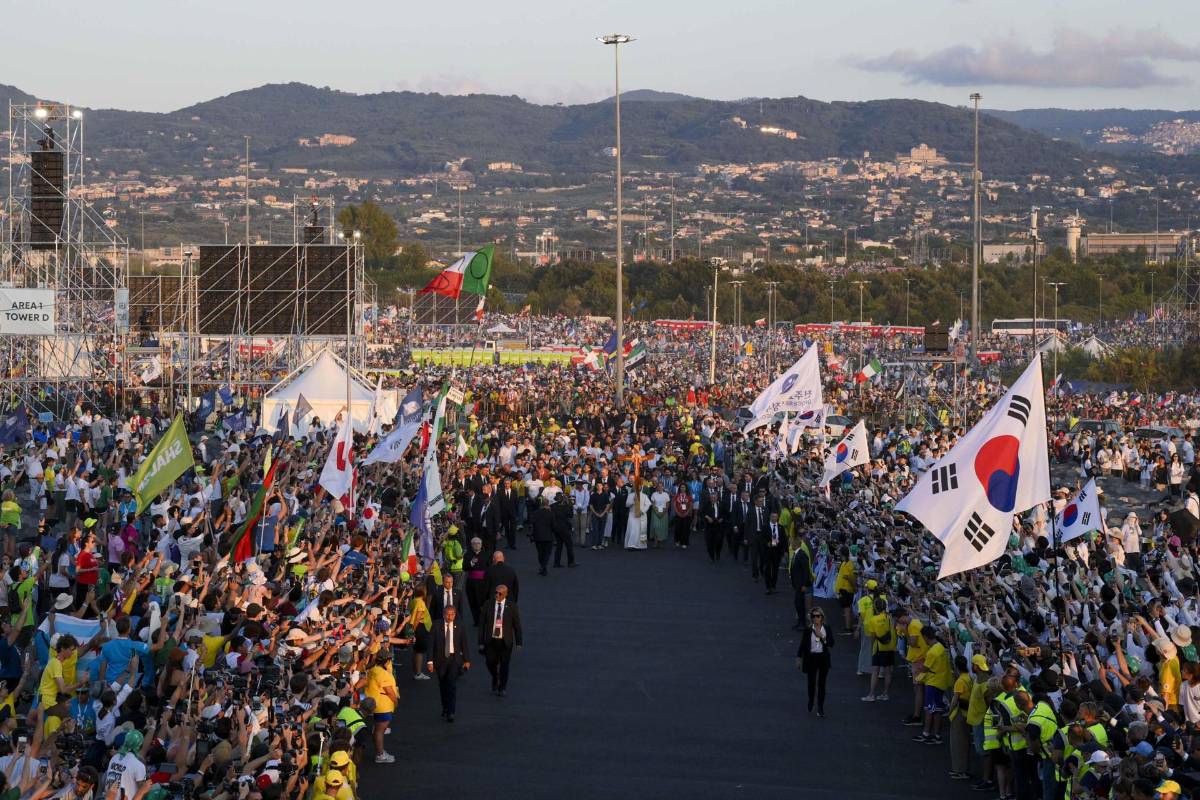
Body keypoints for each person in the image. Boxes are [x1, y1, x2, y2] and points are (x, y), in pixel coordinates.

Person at [428, 606, 470, 722]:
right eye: (447, 614)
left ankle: (451, 712)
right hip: (440, 660)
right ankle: (445, 706)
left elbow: (464, 644)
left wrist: (467, 660)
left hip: (454, 659)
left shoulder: (460, 626)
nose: (450, 617)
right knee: (443, 684)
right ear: (443, 614)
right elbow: (431, 644)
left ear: (455, 615)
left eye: (452, 614)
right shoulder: (436, 625)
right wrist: (430, 661)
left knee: (451, 684)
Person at [478, 584, 522, 696]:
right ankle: (495, 676)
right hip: (491, 640)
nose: (497, 595)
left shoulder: (512, 607)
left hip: (505, 641)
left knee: (504, 665)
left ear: (505, 594)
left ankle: (502, 687)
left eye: (500, 593)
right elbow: (482, 624)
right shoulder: (488, 604)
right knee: (490, 662)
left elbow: (517, 625)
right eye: (496, 592)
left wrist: (519, 642)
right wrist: (480, 642)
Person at [796, 607, 834, 717]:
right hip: (811, 658)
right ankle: (811, 699)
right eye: (813, 616)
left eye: (818, 616)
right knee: (811, 682)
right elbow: (803, 644)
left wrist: (822, 637)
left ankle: (820, 707)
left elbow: (831, 643)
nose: (816, 618)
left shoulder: (826, 628)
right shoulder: (808, 630)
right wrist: (799, 657)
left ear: (822, 617)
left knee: (822, 684)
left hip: (823, 658)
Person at [365, 651, 399, 763]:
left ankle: (379, 751)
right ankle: (380, 754)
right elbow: (389, 691)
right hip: (383, 706)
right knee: (380, 730)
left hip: (377, 704)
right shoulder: (383, 674)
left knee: (378, 729)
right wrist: (395, 701)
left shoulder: (373, 670)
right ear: (387, 661)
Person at [760, 510, 786, 595]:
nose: (774, 518)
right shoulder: (765, 526)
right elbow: (762, 538)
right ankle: (768, 587)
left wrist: (783, 550)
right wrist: (766, 543)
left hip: (777, 551)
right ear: (770, 517)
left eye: (776, 517)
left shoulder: (781, 527)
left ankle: (773, 586)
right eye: (773, 517)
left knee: (775, 570)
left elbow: (784, 539)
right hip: (768, 551)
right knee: (767, 569)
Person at [530, 497, 555, 576]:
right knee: (547, 553)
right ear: (548, 504)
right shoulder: (551, 513)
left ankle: (543, 567)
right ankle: (543, 566)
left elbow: (532, 522)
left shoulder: (536, 513)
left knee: (540, 553)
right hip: (548, 536)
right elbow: (554, 525)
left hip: (538, 536)